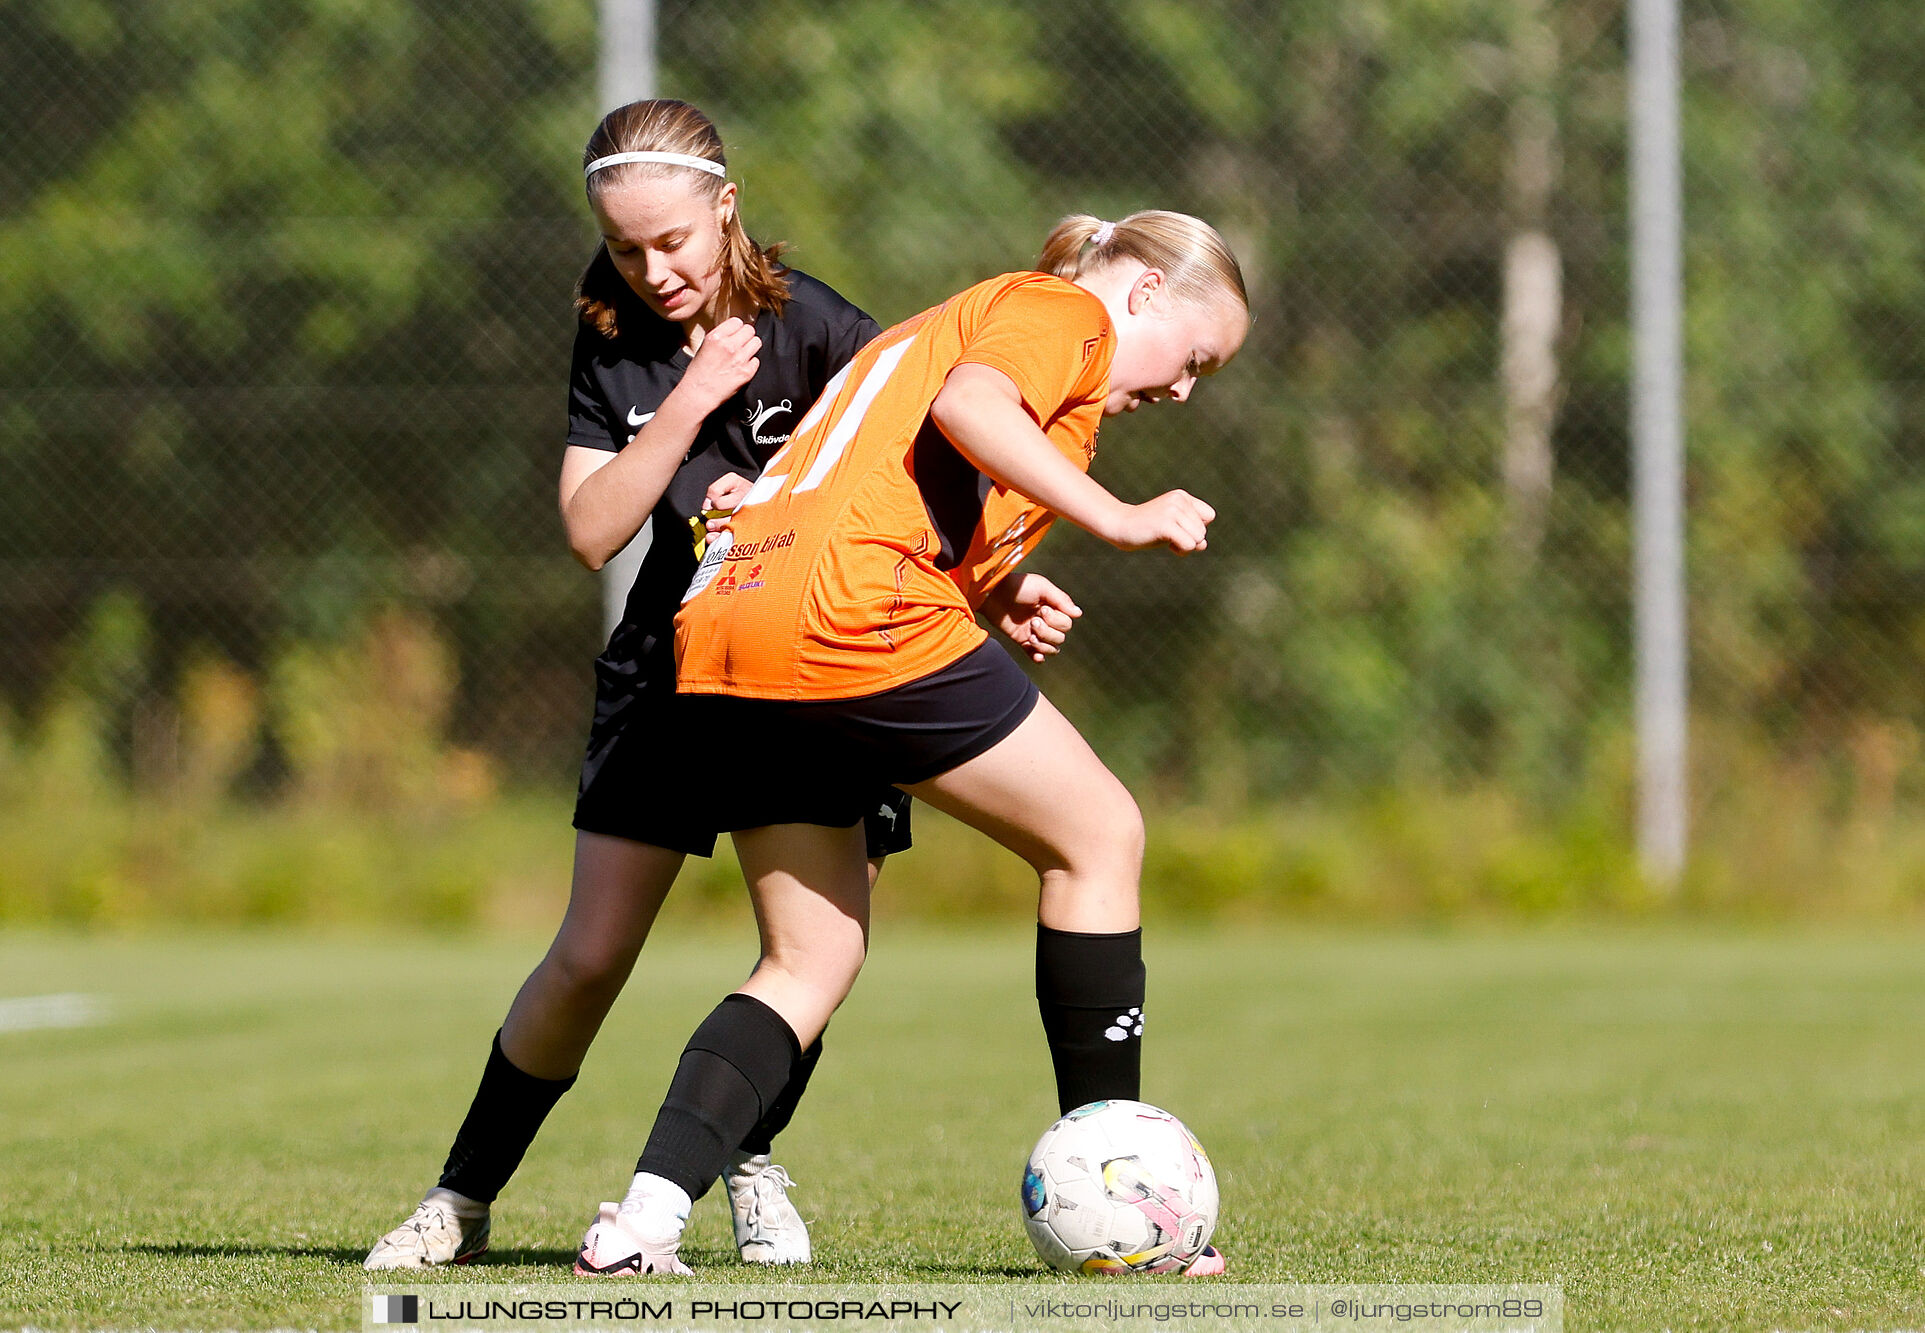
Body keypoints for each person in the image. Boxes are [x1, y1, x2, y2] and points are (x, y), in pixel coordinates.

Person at [364, 98, 1084, 1273]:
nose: (652, 270)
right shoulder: (612, 338)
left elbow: (929, 480)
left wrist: (994, 589)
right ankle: (460, 1196)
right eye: (625, 247)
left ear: (725, 208)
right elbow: (592, 528)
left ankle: (742, 1162)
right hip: (667, 674)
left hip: (810, 676)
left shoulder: (819, 327)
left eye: (674, 243)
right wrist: (692, 405)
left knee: (810, 952)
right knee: (590, 954)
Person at [570, 210, 1248, 1278]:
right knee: (1098, 836)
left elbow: (887, 482)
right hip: (851, 617)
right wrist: (1117, 517)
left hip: (736, 621)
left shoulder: (954, 325)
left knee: (809, 958)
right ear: (1146, 292)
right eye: (1195, 357)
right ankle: (1122, 1196)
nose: (1183, 389)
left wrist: (995, 588)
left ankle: (641, 1222)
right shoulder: (1056, 308)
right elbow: (972, 407)